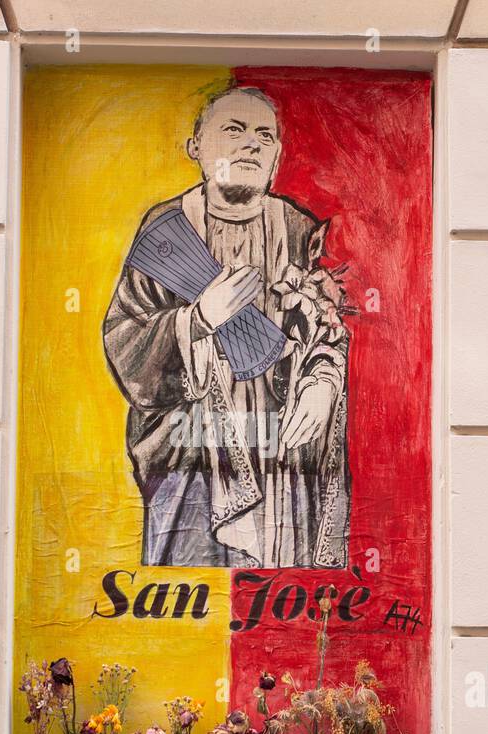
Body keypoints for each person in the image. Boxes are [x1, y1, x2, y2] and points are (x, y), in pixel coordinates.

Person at [103, 86, 350, 569]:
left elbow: (325, 329)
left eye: (264, 135)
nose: (250, 144)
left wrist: (322, 383)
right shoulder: (167, 229)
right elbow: (126, 335)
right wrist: (196, 321)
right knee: (194, 594)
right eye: (233, 130)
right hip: (196, 454)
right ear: (196, 146)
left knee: (280, 600)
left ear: (277, 155)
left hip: (282, 451)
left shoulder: (298, 230)